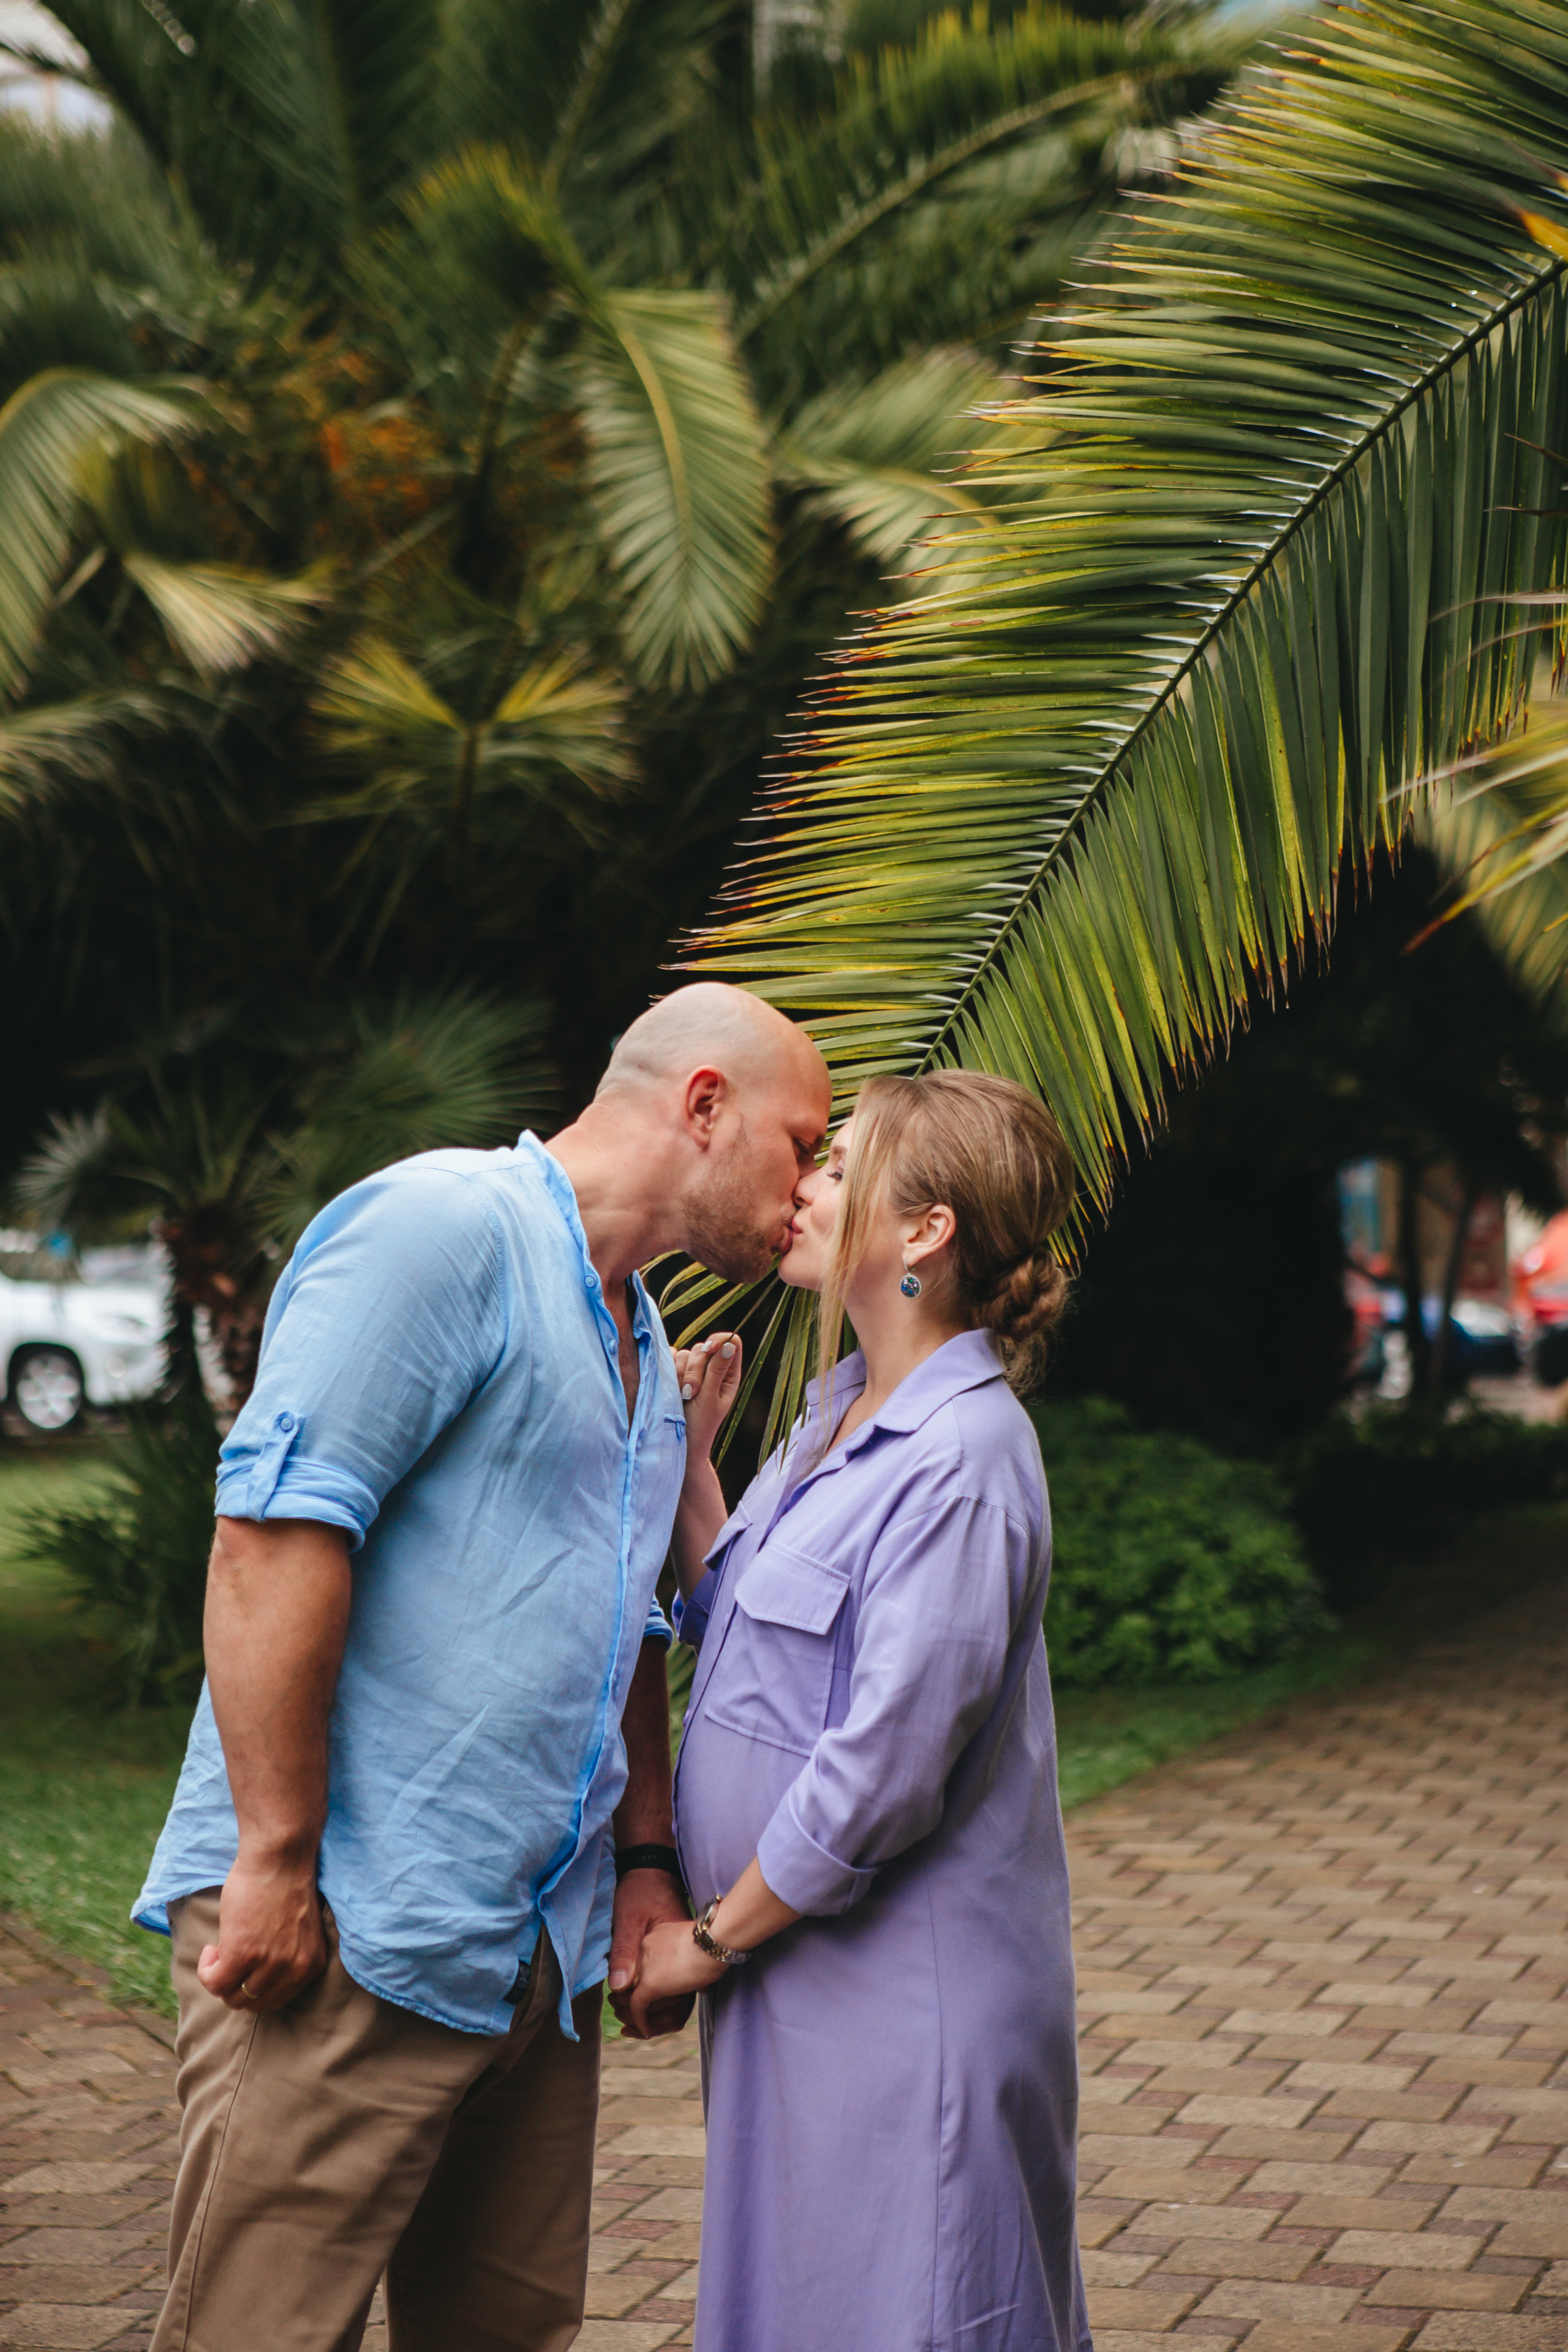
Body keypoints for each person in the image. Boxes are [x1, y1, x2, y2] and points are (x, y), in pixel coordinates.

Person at [132, 981, 831, 2352]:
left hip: (534, 1954)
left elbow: (627, 1618)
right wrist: (274, 1861)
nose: (808, 1185)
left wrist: (640, 1864)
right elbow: (272, 1536)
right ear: (703, 1105)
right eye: (801, 1141)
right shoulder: (444, 1229)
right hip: (344, 1932)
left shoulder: (632, 1331)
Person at [630, 1068, 1091, 2352]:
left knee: (911, 2313)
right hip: (807, 1980)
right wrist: (690, 1477)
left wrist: (706, 1942)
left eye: (839, 1166)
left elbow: (882, 1773)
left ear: (923, 1231)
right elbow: (757, 1643)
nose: (804, 1186)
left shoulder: (962, 1461)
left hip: (900, 2002)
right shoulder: (840, 1409)